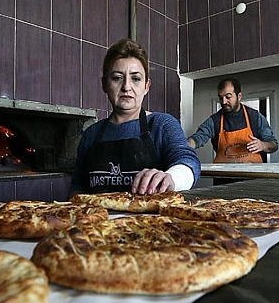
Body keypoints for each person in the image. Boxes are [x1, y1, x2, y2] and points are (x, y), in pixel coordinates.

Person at [69, 38, 201, 197]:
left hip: (149, 221)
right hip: (98, 219)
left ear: (146, 86)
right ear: (104, 84)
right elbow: (78, 184)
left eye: (136, 78)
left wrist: (173, 178)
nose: (126, 87)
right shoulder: (91, 134)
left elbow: (188, 161)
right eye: (117, 78)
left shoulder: (162, 125)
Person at [187, 78, 278, 163]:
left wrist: (263, 145)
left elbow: (273, 145)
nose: (223, 102)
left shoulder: (255, 117)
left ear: (239, 96)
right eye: (220, 98)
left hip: (252, 176)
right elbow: (197, 139)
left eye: (228, 97)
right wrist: (182, 146)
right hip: (224, 177)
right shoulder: (214, 121)